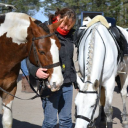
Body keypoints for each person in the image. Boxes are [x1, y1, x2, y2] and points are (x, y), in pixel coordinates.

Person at [27, 8, 77, 128]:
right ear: (58, 18)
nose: (66, 28)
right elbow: (28, 57)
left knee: (66, 120)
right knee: (50, 122)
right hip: (50, 84)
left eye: (69, 26)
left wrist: (75, 80)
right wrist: (35, 71)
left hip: (67, 83)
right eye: (65, 24)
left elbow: (69, 60)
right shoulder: (44, 33)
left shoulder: (70, 37)